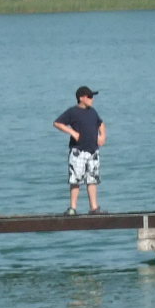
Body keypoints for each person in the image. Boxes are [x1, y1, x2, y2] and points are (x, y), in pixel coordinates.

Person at [53, 86, 105, 215]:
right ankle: (73, 208)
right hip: (78, 151)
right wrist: (72, 132)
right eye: (89, 97)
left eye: (92, 97)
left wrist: (102, 135)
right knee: (75, 180)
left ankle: (94, 208)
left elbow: (101, 124)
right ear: (81, 98)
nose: (92, 99)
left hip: (93, 151)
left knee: (92, 180)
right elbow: (57, 123)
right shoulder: (73, 112)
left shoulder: (93, 112)